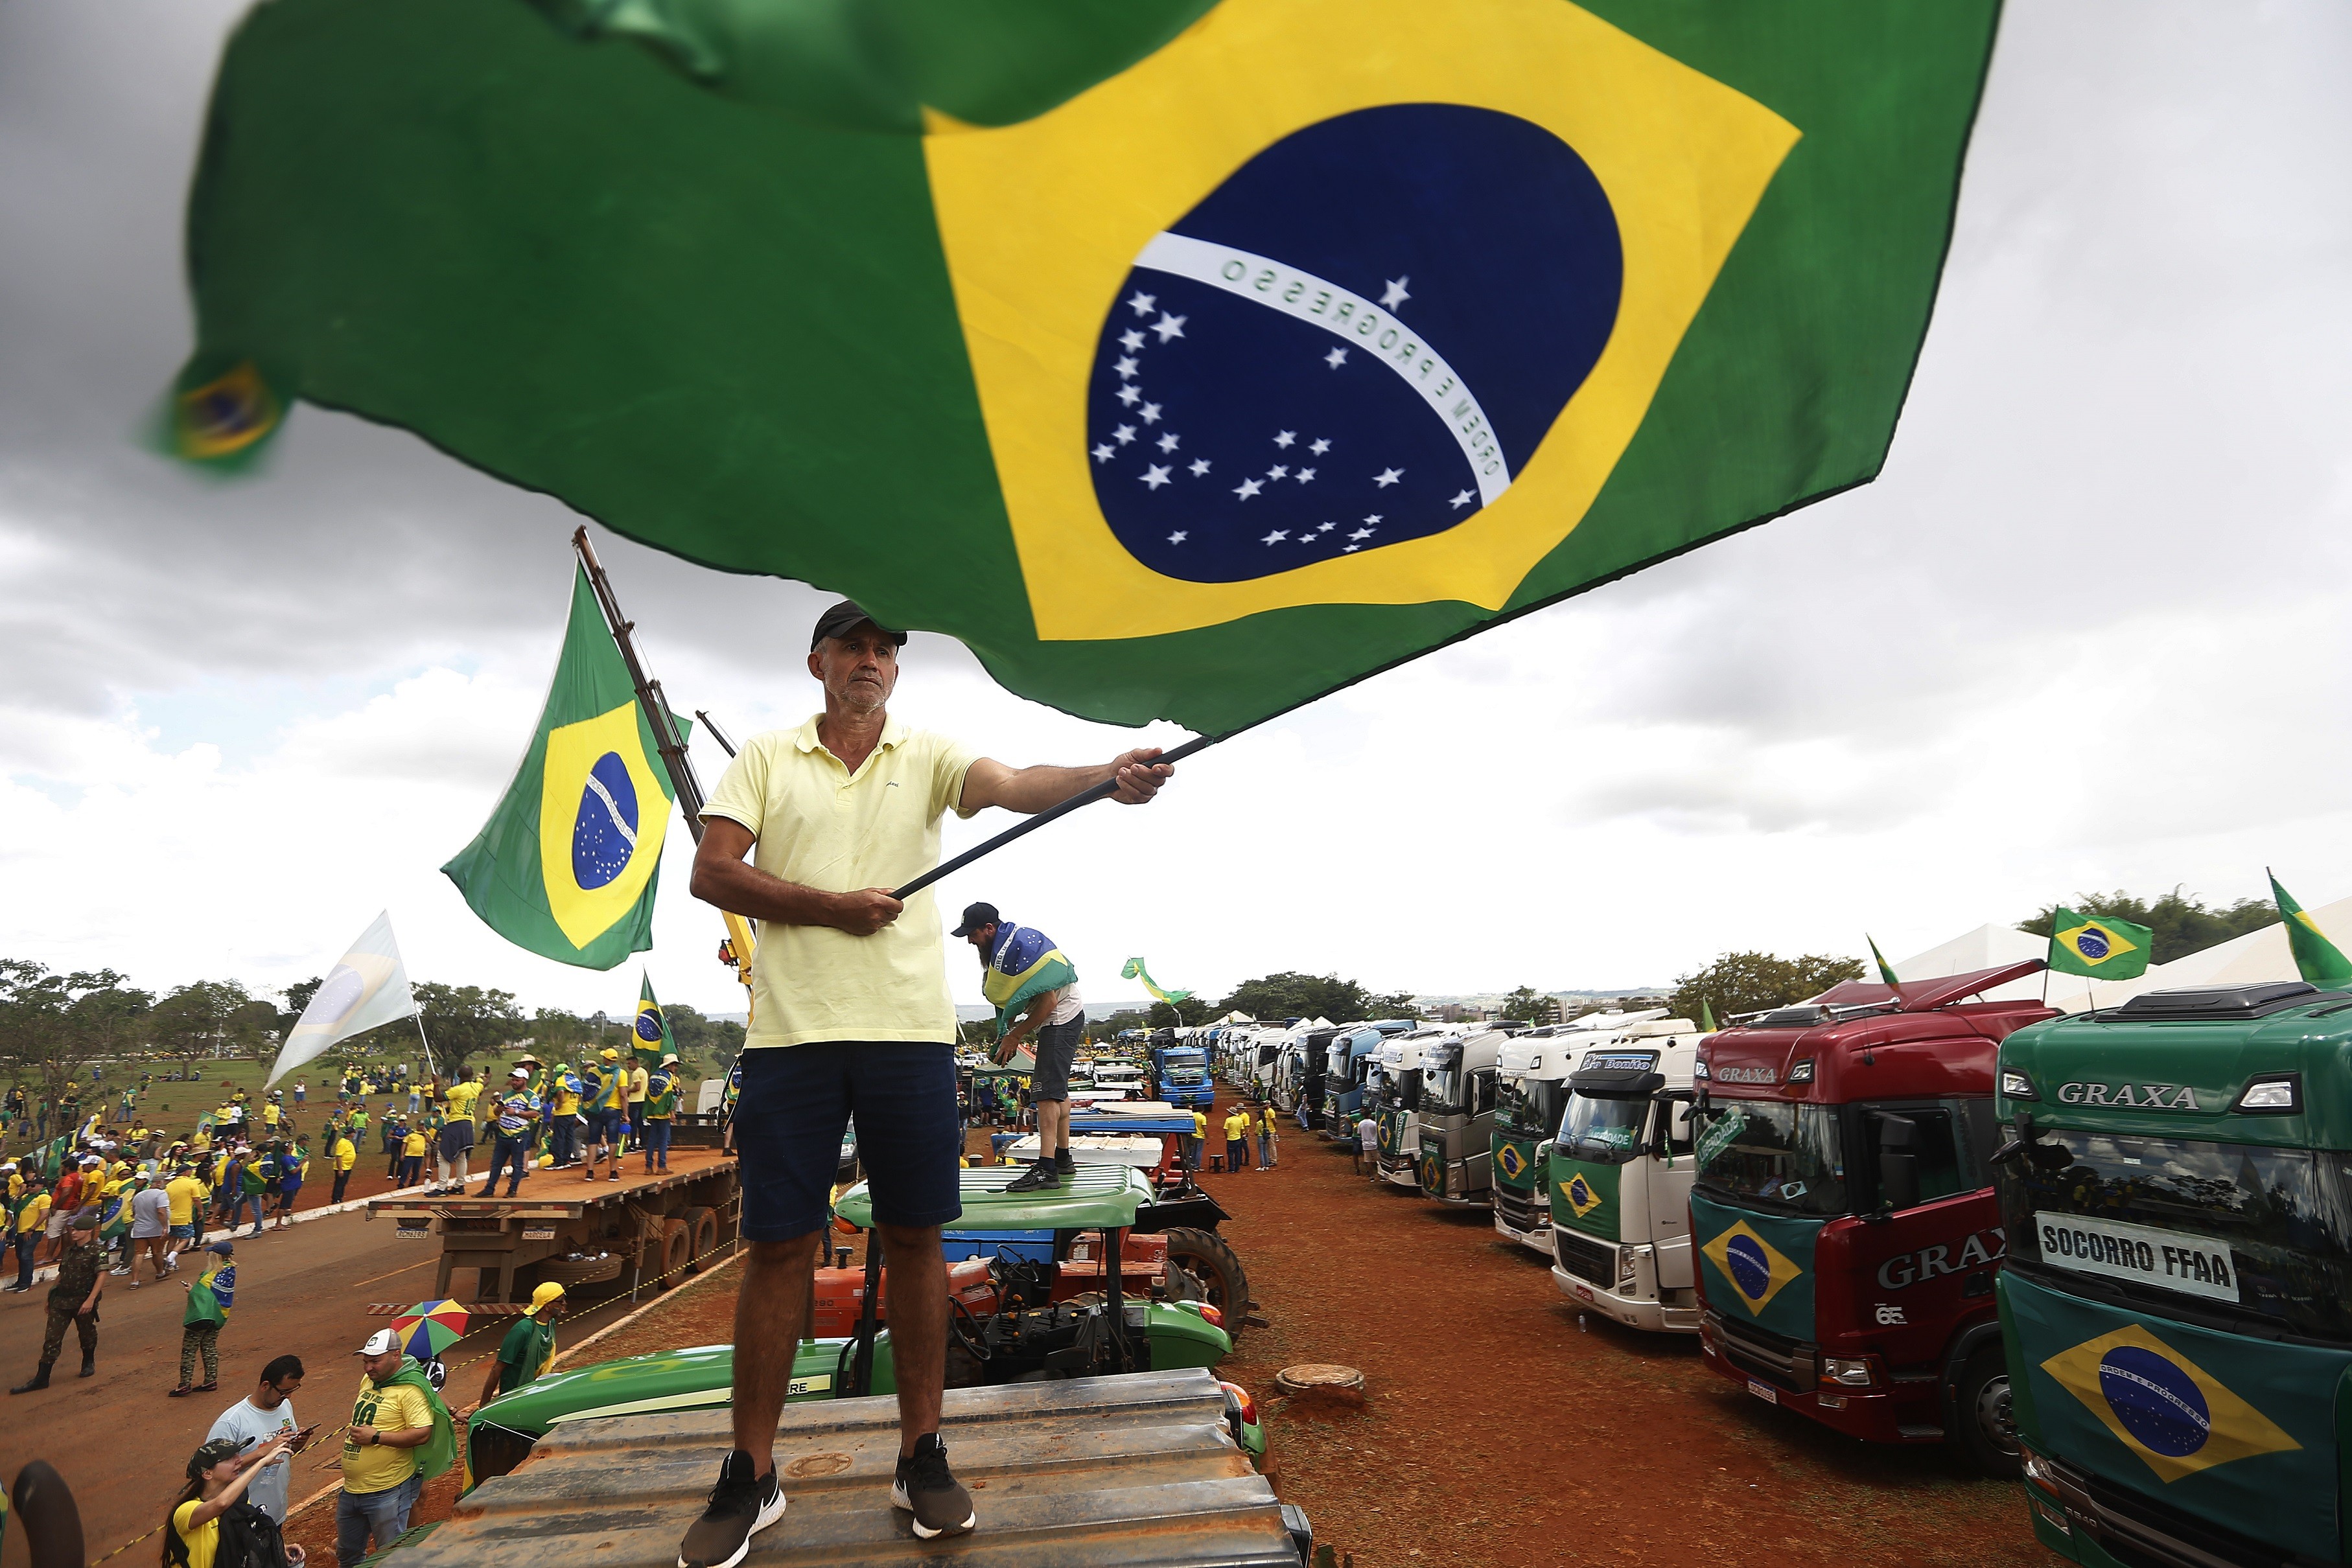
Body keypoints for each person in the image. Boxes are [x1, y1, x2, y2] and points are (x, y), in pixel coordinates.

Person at [671, 598, 1170, 1563]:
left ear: (896, 671)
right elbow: (714, 873)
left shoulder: (930, 755)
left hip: (907, 1037)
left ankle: (922, 1454)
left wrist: (1105, 777)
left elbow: (1020, 782)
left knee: (914, 1238)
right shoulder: (766, 758)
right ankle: (751, 1473)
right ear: (818, 663)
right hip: (791, 1038)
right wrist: (829, 908)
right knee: (778, 1249)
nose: (871, 660)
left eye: (885, 650)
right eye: (853, 646)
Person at [956, 905, 1084, 1193]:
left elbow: (1048, 1003)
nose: (970, 941)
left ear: (989, 928)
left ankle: (1046, 1169)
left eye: (973, 934)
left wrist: (1014, 1037)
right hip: (1059, 1019)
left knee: (1047, 1094)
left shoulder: (1022, 953)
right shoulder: (1006, 956)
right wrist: (1004, 1034)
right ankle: (1062, 1159)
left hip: (1060, 1017)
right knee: (1057, 1091)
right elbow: (1013, 1000)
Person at [337, 1328, 452, 1568]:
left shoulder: (411, 1390)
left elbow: (422, 1434)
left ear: (396, 1356)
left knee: (391, 1557)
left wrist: (376, 1437)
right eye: (365, 1362)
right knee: (348, 1555)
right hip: (351, 1489)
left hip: (386, 1489)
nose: (368, 1368)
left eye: (375, 1361)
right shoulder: (370, 1380)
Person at [168, 1434, 304, 1568]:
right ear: (208, 1473)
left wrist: (277, 1548)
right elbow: (221, 1504)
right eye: (229, 1458)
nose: (239, 1460)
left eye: (238, 1454)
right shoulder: (185, 1511)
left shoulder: (239, 1499)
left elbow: (247, 1534)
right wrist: (261, 1462)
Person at [207, 1356, 315, 1523]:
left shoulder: (284, 1406)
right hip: (242, 1519)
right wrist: (262, 1454)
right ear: (265, 1386)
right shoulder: (232, 1422)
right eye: (284, 1392)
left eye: (293, 1390)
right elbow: (211, 1471)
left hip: (275, 1514)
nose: (289, 1397)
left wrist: (298, 1442)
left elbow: (289, 1452)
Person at [10, 1208, 104, 1392]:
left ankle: (88, 1361)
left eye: (77, 1230)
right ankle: (42, 1378)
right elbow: (61, 1274)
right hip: (61, 1301)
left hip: (82, 1301)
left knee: (87, 1333)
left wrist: (90, 1300)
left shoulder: (97, 1251)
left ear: (88, 1231)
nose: (73, 1232)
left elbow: (102, 1275)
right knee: (52, 1339)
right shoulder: (69, 1251)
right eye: (73, 1229)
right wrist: (50, 1297)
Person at [475, 1281, 565, 1409]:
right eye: (561, 1301)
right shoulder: (523, 1330)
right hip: (516, 1399)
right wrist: (483, 1406)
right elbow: (497, 1369)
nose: (565, 1304)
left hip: (538, 1393)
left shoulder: (551, 1324)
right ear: (547, 1306)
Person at [172, 1239, 237, 1396]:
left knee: (189, 1350)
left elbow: (202, 1295)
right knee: (209, 1347)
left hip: (203, 1317)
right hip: (220, 1316)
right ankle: (210, 1380)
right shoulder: (231, 1270)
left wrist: (191, 1290)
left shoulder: (211, 1275)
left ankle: (184, 1385)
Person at [479, 1068, 539, 1197]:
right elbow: (496, 1113)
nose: (514, 1082)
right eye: (513, 1080)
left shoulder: (532, 1096)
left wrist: (516, 1112)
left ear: (525, 1080)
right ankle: (489, 1189)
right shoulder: (506, 1095)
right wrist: (499, 1110)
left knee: (517, 1164)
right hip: (503, 1134)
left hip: (519, 1134)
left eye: (517, 1080)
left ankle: (512, 1190)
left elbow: (534, 1113)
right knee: (496, 1164)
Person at [581, 1048, 625, 1182]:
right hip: (613, 1110)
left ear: (606, 1059)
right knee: (612, 1141)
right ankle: (613, 1172)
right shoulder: (621, 1073)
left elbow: (587, 1091)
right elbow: (623, 1095)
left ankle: (590, 1172)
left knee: (593, 1140)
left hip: (596, 1110)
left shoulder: (593, 1071)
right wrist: (626, 1114)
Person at [436, 1067, 479, 1196]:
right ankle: (459, 1185)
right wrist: (488, 1077)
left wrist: (436, 1083)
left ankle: (442, 1188)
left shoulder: (457, 1090)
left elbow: (438, 1098)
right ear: (472, 1075)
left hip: (456, 1124)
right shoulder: (477, 1087)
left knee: (442, 1156)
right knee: (461, 1156)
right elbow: (485, 1083)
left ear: (458, 1076)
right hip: (468, 1124)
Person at [7, 1175, 49, 1291]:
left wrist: (32, 1229)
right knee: (20, 1256)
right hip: (21, 1231)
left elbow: (44, 1214)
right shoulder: (26, 1197)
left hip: (33, 1232)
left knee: (26, 1256)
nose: (29, 1187)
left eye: (33, 1185)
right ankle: (20, 1281)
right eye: (28, 1185)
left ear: (41, 1186)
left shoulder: (44, 1197)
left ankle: (26, 1283)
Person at [133, 1170, 174, 1285]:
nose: (166, 1183)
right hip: (156, 1229)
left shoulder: (138, 1195)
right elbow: (161, 1212)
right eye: (165, 1181)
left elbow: (134, 1213)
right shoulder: (161, 1194)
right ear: (159, 1183)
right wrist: (165, 1227)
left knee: (139, 1254)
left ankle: (134, 1281)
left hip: (140, 1229)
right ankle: (160, 1272)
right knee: (157, 1252)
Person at [642, 1056, 679, 1174]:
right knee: (663, 1140)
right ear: (669, 1066)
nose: (676, 1068)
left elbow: (648, 1093)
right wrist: (672, 1112)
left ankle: (648, 1167)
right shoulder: (671, 1078)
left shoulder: (653, 1075)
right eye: (674, 1065)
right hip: (663, 1112)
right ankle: (662, 1166)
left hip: (653, 1112)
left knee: (652, 1139)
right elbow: (670, 1097)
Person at [167, 1161, 207, 1263]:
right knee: (185, 1238)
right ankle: (171, 1258)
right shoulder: (191, 1183)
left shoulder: (170, 1185)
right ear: (186, 1172)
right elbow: (197, 1200)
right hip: (184, 1218)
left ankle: (171, 1261)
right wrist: (201, 1211)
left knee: (172, 1239)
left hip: (170, 1218)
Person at [329, 1129, 358, 1206]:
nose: (354, 1134)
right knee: (339, 1184)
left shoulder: (347, 1141)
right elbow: (339, 1156)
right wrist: (340, 1170)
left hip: (347, 1167)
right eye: (353, 1133)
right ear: (350, 1134)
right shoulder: (342, 1143)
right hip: (343, 1168)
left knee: (343, 1183)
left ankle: (340, 1198)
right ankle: (336, 1199)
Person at [397, 1124, 426, 1190]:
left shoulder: (425, 1135)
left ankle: (412, 1183)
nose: (421, 1127)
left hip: (420, 1155)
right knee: (405, 1170)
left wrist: (425, 1132)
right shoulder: (411, 1134)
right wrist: (402, 1154)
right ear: (417, 1126)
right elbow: (404, 1144)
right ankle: (401, 1183)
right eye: (420, 1125)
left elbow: (430, 1141)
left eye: (423, 1125)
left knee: (416, 1171)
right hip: (409, 1155)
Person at [1222, 1105, 1250, 1173]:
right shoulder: (1239, 1119)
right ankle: (1237, 1168)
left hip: (1231, 1139)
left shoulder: (1228, 1120)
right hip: (1238, 1139)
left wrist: (1227, 1137)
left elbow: (1225, 1130)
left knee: (1230, 1154)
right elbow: (1242, 1130)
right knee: (1238, 1153)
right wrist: (1241, 1136)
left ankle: (1231, 1168)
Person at [1356, 1110, 1379, 1177]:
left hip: (1365, 1145)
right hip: (1374, 1145)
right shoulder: (1374, 1123)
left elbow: (1359, 1133)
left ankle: (1372, 1176)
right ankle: (1382, 1176)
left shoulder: (1361, 1123)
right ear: (1370, 1115)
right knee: (1379, 1161)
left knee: (1368, 1161)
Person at [1259, 1101, 1279, 1170]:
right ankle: (1270, 1159)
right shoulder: (1266, 1111)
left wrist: (1274, 1129)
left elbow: (1275, 1121)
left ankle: (1274, 1160)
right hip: (1268, 1131)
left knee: (1272, 1146)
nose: (1264, 1105)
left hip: (1271, 1131)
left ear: (1269, 1105)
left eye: (1265, 1104)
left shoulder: (1270, 1111)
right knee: (1268, 1146)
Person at [1188, 1106, 1207, 1172]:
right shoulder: (1203, 1117)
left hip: (1193, 1135)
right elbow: (1204, 1128)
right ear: (1203, 1110)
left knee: (1193, 1151)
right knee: (1199, 1152)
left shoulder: (1193, 1115)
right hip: (1200, 1136)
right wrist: (1207, 1136)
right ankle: (1197, 1167)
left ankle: (1192, 1165)